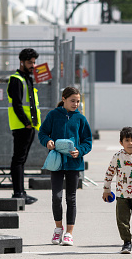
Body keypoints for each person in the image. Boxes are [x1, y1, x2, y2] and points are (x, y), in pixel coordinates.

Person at [38, 86, 93, 246]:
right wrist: (47, 142)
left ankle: (69, 233)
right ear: (64, 99)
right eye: (72, 101)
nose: (76, 104)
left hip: (74, 164)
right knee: (56, 197)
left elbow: (87, 141)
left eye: (77, 101)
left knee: (71, 198)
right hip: (56, 163)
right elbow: (42, 133)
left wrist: (80, 151)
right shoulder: (54, 115)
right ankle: (58, 229)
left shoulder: (81, 119)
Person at [7, 48, 42, 205]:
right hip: (22, 126)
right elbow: (17, 105)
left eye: (34, 62)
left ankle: (21, 192)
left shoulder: (27, 78)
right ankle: (18, 193)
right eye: (29, 62)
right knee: (18, 160)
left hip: (29, 125)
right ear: (21, 62)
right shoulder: (16, 79)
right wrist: (26, 123)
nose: (33, 65)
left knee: (21, 160)